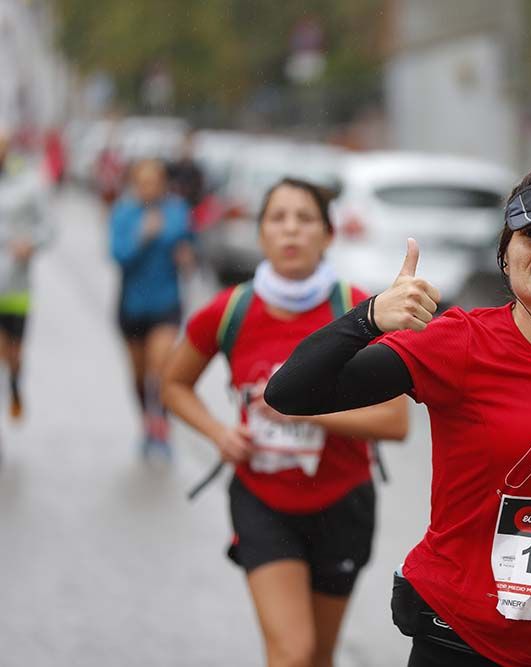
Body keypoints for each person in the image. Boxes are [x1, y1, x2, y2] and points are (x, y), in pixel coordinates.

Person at [265, 162, 531, 667]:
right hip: (464, 637)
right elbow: (291, 393)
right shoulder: (460, 344)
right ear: (507, 255)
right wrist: (369, 317)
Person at [162, 177, 409, 667]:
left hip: (342, 501)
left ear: (327, 234)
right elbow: (173, 384)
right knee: (292, 654)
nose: (291, 230)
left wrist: (308, 409)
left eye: (305, 218)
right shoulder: (231, 310)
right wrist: (218, 433)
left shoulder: (361, 310)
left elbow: (395, 421)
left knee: (318, 656)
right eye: (277, 218)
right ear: (261, 234)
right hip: (263, 500)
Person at [109, 158, 195, 459]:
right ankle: (147, 420)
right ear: (134, 184)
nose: (149, 188)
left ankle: (161, 423)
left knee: (160, 366)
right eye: (143, 183)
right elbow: (118, 256)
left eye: (154, 182)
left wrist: (186, 257)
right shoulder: (124, 212)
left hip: (166, 303)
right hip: (131, 305)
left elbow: (188, 245)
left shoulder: (177, 210)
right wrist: (142, 236)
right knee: (139, 374)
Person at [0, 129, 54, 424]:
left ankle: (14, 384)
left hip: (16, 286)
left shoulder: (27, 183)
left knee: (14, 354)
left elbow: (48, 227)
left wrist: (30, 244)